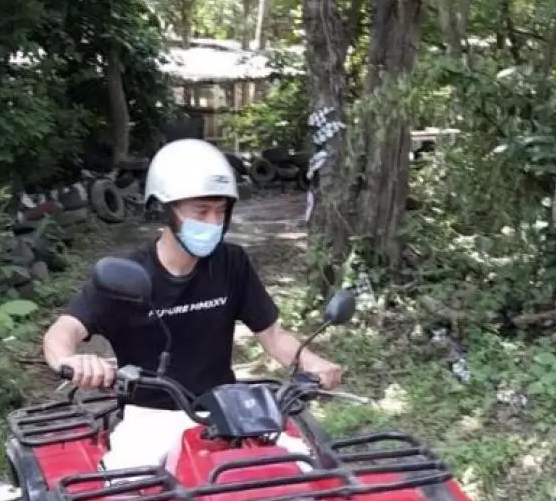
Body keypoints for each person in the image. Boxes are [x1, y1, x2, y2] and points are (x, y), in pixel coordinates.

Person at [42, 140, 342, 470]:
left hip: (227, 413)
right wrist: (71, 361)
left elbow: (272, 335)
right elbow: (62, 330)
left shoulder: (231, 263)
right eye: (201, 211)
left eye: (220, 210)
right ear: (165, 208)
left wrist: (312, 362)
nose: (213, 222)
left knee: (303, 477)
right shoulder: (128, 275)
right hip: (151, 420)